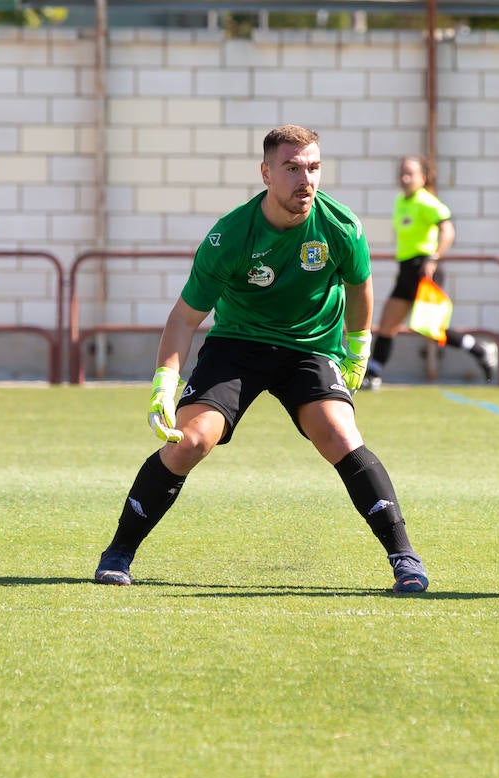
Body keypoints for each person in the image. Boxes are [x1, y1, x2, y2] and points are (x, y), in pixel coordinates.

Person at [94, 125, 430, 595]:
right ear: (266, 173)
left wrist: (358, 352)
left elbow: (361, 291)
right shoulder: (230, 236)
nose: (305, 180)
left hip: (310, 348)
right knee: (190, 440)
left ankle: (404, 558)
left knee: (339, 434)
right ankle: (119, 552)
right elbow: (184, 318)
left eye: (313, 168)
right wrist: (163, 386)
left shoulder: (341, 227)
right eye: (292, 168)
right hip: (238, 345)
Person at [363, 155, 497, 388]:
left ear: (423, 178)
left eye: (411, 174)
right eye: (402, 173)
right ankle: (373, 374)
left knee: (430, 328)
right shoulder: (400, 201)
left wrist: (434, 257)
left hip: (424, 269)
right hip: (406, 269)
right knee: (387, 323)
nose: (405, 178)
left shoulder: (427, 202)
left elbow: (447, 230)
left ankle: (479, 349)